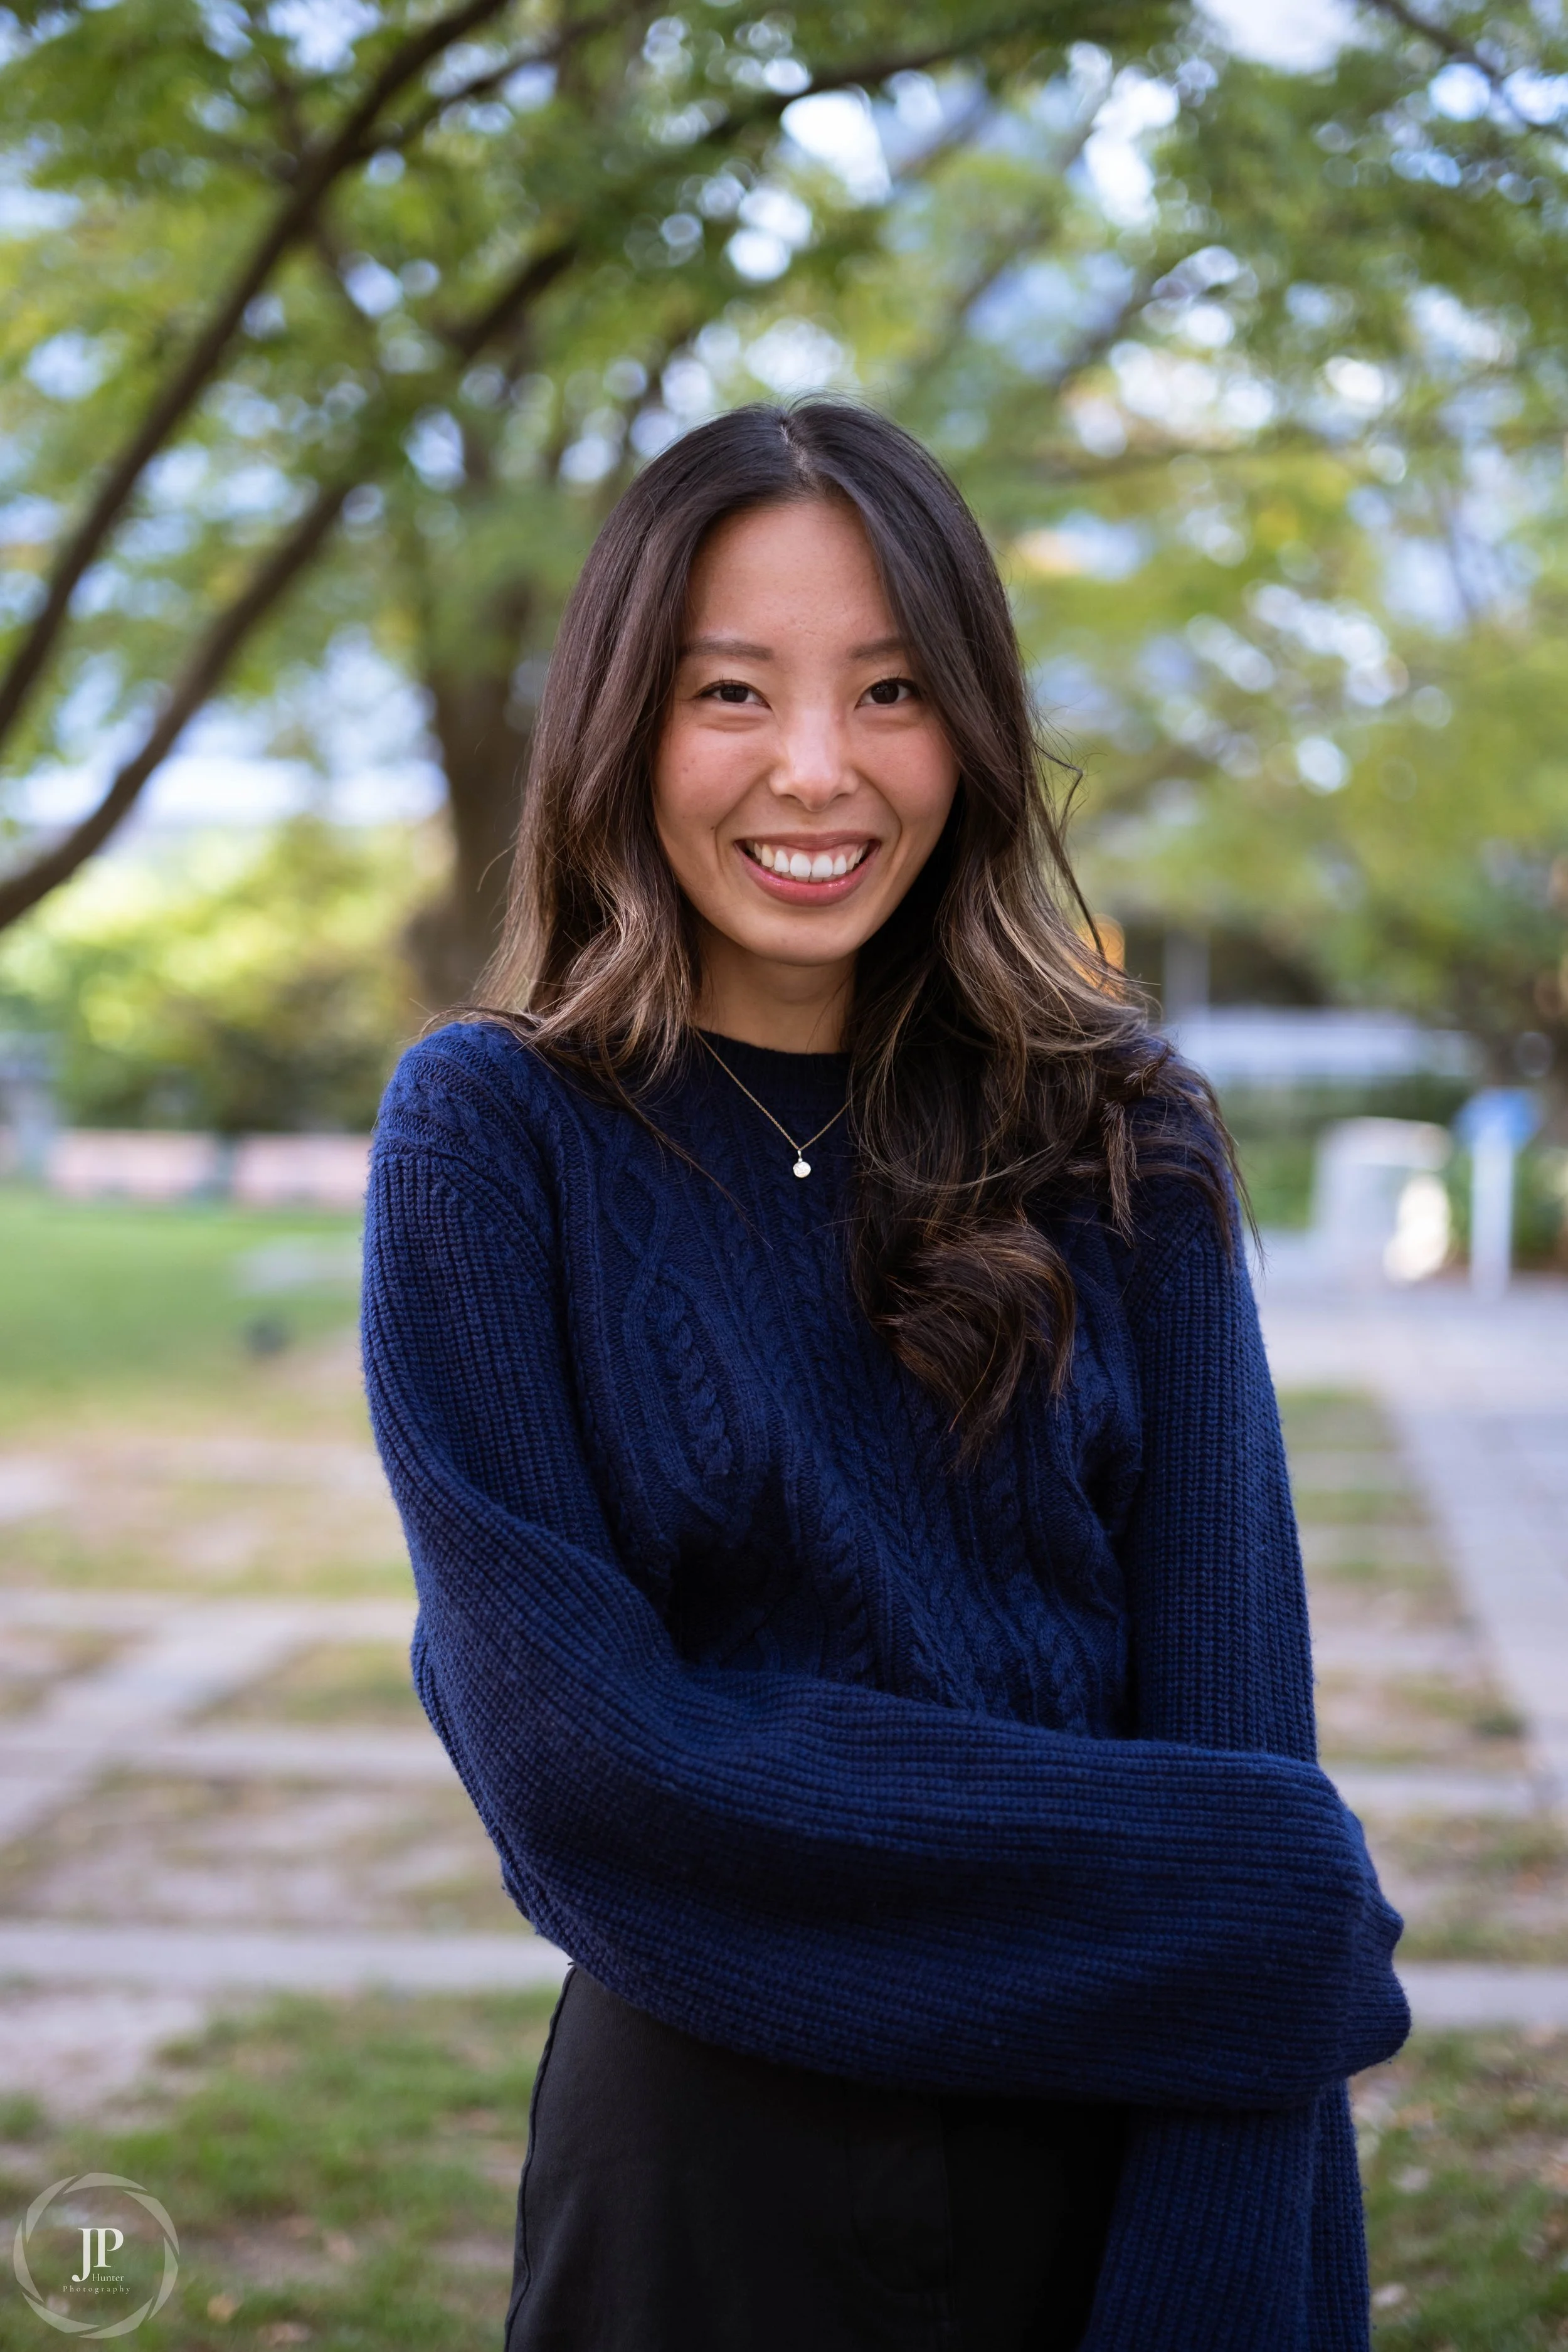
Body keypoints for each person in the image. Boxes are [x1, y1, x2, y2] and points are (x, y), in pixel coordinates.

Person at [361, 400, 1409, 2351]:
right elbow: (590, 1766)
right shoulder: (494, 1140)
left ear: (975, 730)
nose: (817, 768)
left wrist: (1218, 2192)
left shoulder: (1127, 1140)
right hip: (694, 2164)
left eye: (892, 688)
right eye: (730, 692)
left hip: (1113, 2142)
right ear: (618, 726)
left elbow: (1233, 1729)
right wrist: (1223, 1885)